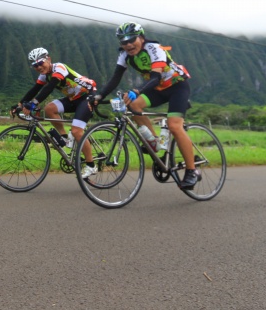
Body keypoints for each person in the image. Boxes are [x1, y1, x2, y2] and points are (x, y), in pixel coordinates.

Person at [91, 22, 200, 189]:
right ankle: (154, 142)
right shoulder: (124, 55)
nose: (127, 44)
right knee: (132, 105)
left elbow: (156, 77)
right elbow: (115, 79)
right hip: (158, 89)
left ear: (141, 38)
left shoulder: (154, 48)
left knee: (174, 126)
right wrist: (99, 96)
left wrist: (137, 90)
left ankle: (192, 170)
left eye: (131, 39)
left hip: (177, 86)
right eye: (123, 41)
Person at [14, 47, 99, 179]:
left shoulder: (59, 67)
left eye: (41, 63)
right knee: (49, 109)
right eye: (35, 65)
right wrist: (19, 104)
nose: (39, 67)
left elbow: (50, 87)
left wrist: (33, 103)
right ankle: (64, 137)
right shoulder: (43, 75)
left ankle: (91, 165)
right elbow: (35, 89)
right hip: (73, 99)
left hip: (87, 96)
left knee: (77, 131)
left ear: (48, 59)